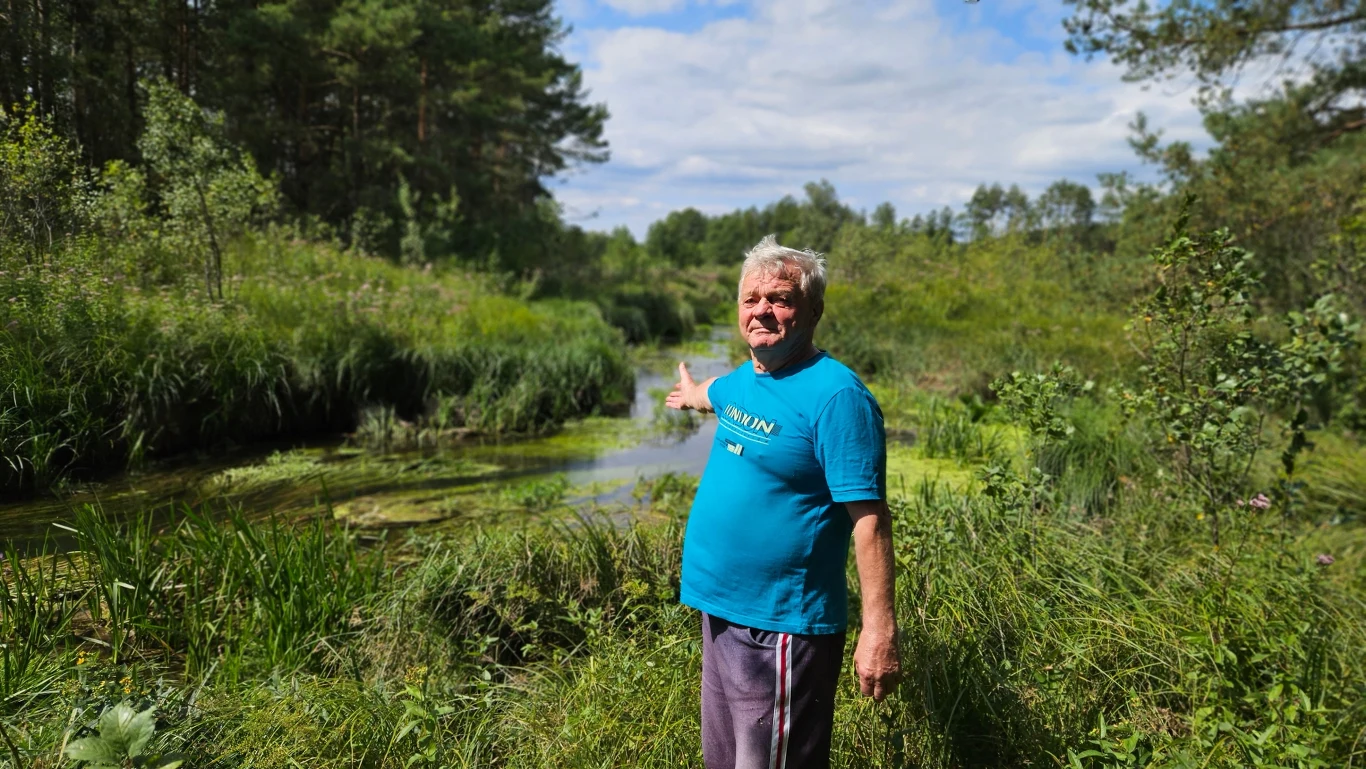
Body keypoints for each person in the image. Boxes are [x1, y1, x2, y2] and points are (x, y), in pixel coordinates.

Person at [666, 234, 901, 769]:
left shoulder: (837, 397)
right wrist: (690, 395)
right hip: (718, 612)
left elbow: (870, 521)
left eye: (780, 299)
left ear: (813, 310)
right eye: (751, 299)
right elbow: (714, 394)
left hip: (780, 628)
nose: (762, 311)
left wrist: (879, 631)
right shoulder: (745, 379)